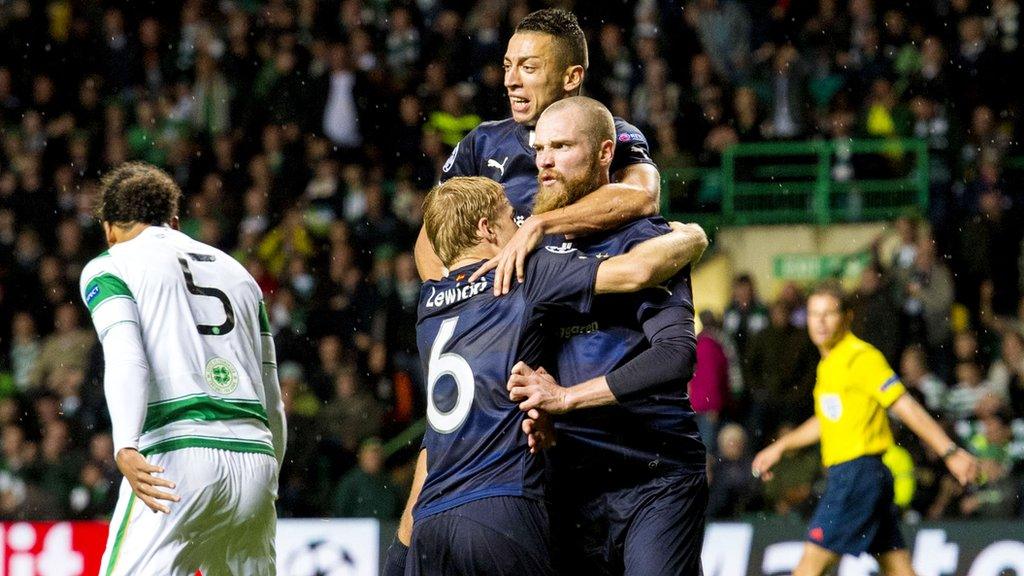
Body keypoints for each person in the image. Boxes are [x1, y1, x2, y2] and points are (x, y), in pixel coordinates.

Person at [384, 175, 707, 576]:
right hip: (500, 507)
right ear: (486, 229)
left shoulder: (427, 303)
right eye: (510, 218)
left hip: (432, 520)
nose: (521, 227)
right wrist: (692, 236)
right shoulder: (524, 276)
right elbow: (640, 270)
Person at [506, 97, 706, 575]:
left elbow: (676, 356)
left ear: (604, 153)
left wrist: (567, 399)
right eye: (539, 149)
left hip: (655, 477)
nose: (545, 161)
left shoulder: (646, 239)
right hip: (573, 484)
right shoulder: (537, 249)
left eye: (561, 147)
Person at [78, 162, 285, 575]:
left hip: (175, 455)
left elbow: (125, 354)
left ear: (109, 228)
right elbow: (271, 393)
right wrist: (268, 469)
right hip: (255, 457)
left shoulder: (111, 264)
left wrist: (125, 444)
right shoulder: (241, 275)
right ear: (174, 220)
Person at [415, 8, 661, 291]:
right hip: (502, 319)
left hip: (587, 310)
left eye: (528, 68)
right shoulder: (482, 143)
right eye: (508, 66)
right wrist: (456, 300)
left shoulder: (612, 134)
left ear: (571, 78)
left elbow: (642, 196)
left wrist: (540, 224)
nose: (511, 80)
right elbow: (432, 235)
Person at [751, 283, 978, 576]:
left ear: (847, 317)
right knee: (899, 569)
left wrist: (949, 452)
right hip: (869, 478)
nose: (819, 322)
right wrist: (780, 447)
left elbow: (904, 405)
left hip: (855, 476)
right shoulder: (828, 364)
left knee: (809, 567)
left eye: (828, 314)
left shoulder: (861, 357)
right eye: (813, 314)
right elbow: (825, 420)